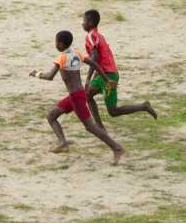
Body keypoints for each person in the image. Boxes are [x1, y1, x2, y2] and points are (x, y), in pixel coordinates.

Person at [30, 30, 123, 162]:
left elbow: (50, 76)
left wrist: (37, 74)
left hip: (76, 97)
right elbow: (95, 64)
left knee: (90, 127)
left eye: (56, 42)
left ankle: (116, 148)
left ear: (61, 44)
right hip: (77, 95)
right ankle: (63, 143)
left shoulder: (61, 58)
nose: (55, 44)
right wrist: (106, 79)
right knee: (51, 115)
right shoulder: (77, 53)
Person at [81, 9, 157, 126]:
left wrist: (88, 78)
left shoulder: (91, 36)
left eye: (84, 21)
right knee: (87, 95)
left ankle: (144, 106)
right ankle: (99, 127)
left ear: (90, 23)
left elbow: (95, 58)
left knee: (113, 111)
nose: (82, 23)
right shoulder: (98, 35)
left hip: (107, 76)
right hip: (106, 74)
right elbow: (104, 57)